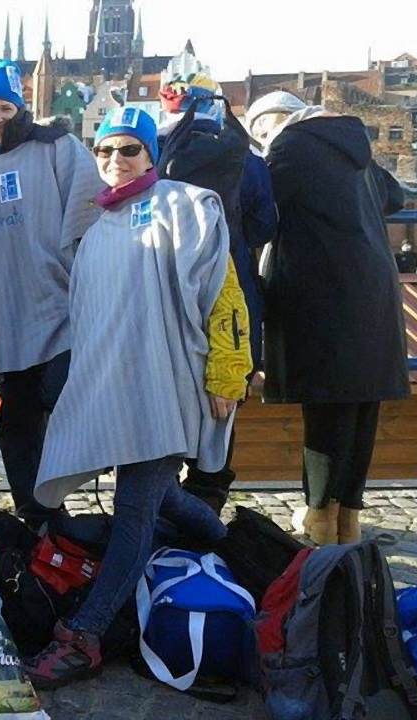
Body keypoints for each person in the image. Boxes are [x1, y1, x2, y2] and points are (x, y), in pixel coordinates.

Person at [24, 107, 250, 686]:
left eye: (129, 149)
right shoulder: (100, 227)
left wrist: (228, 372)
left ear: (151, 154)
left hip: (167, 385)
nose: (116, 160)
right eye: (105, 150)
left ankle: (85, 637)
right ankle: (234, 549)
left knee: (134, 512)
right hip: (117, 392)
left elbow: (225, 293)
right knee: (160, 497)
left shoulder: (184, 205)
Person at [253, 93, 409, 545]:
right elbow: (395, 196)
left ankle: (320, 519)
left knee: (325, 410)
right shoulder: (353, 148)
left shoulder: (290, 146)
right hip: (374, 294)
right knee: (361, 408)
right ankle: (348, 520)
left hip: (323, 294)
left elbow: (259, 211)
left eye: (263, 129)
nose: (263, 139)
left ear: (283, 121)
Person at [0, 59, 103, 528]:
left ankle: (86, 495)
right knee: (18, 424)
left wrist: (80, 278)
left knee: (65, 403)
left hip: (59, 306)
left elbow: (88, 217)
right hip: (2, 316)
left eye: (4, 107)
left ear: (20, 108)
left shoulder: (57, 147)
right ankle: (35, 515)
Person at [157, 72, 279, 514]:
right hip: (232, 292)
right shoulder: (245, 157)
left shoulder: (153, 149)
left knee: (166, 400)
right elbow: (265, 225)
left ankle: (160, 501)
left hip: (168, 294)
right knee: (223, 403)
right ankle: (207, 502)